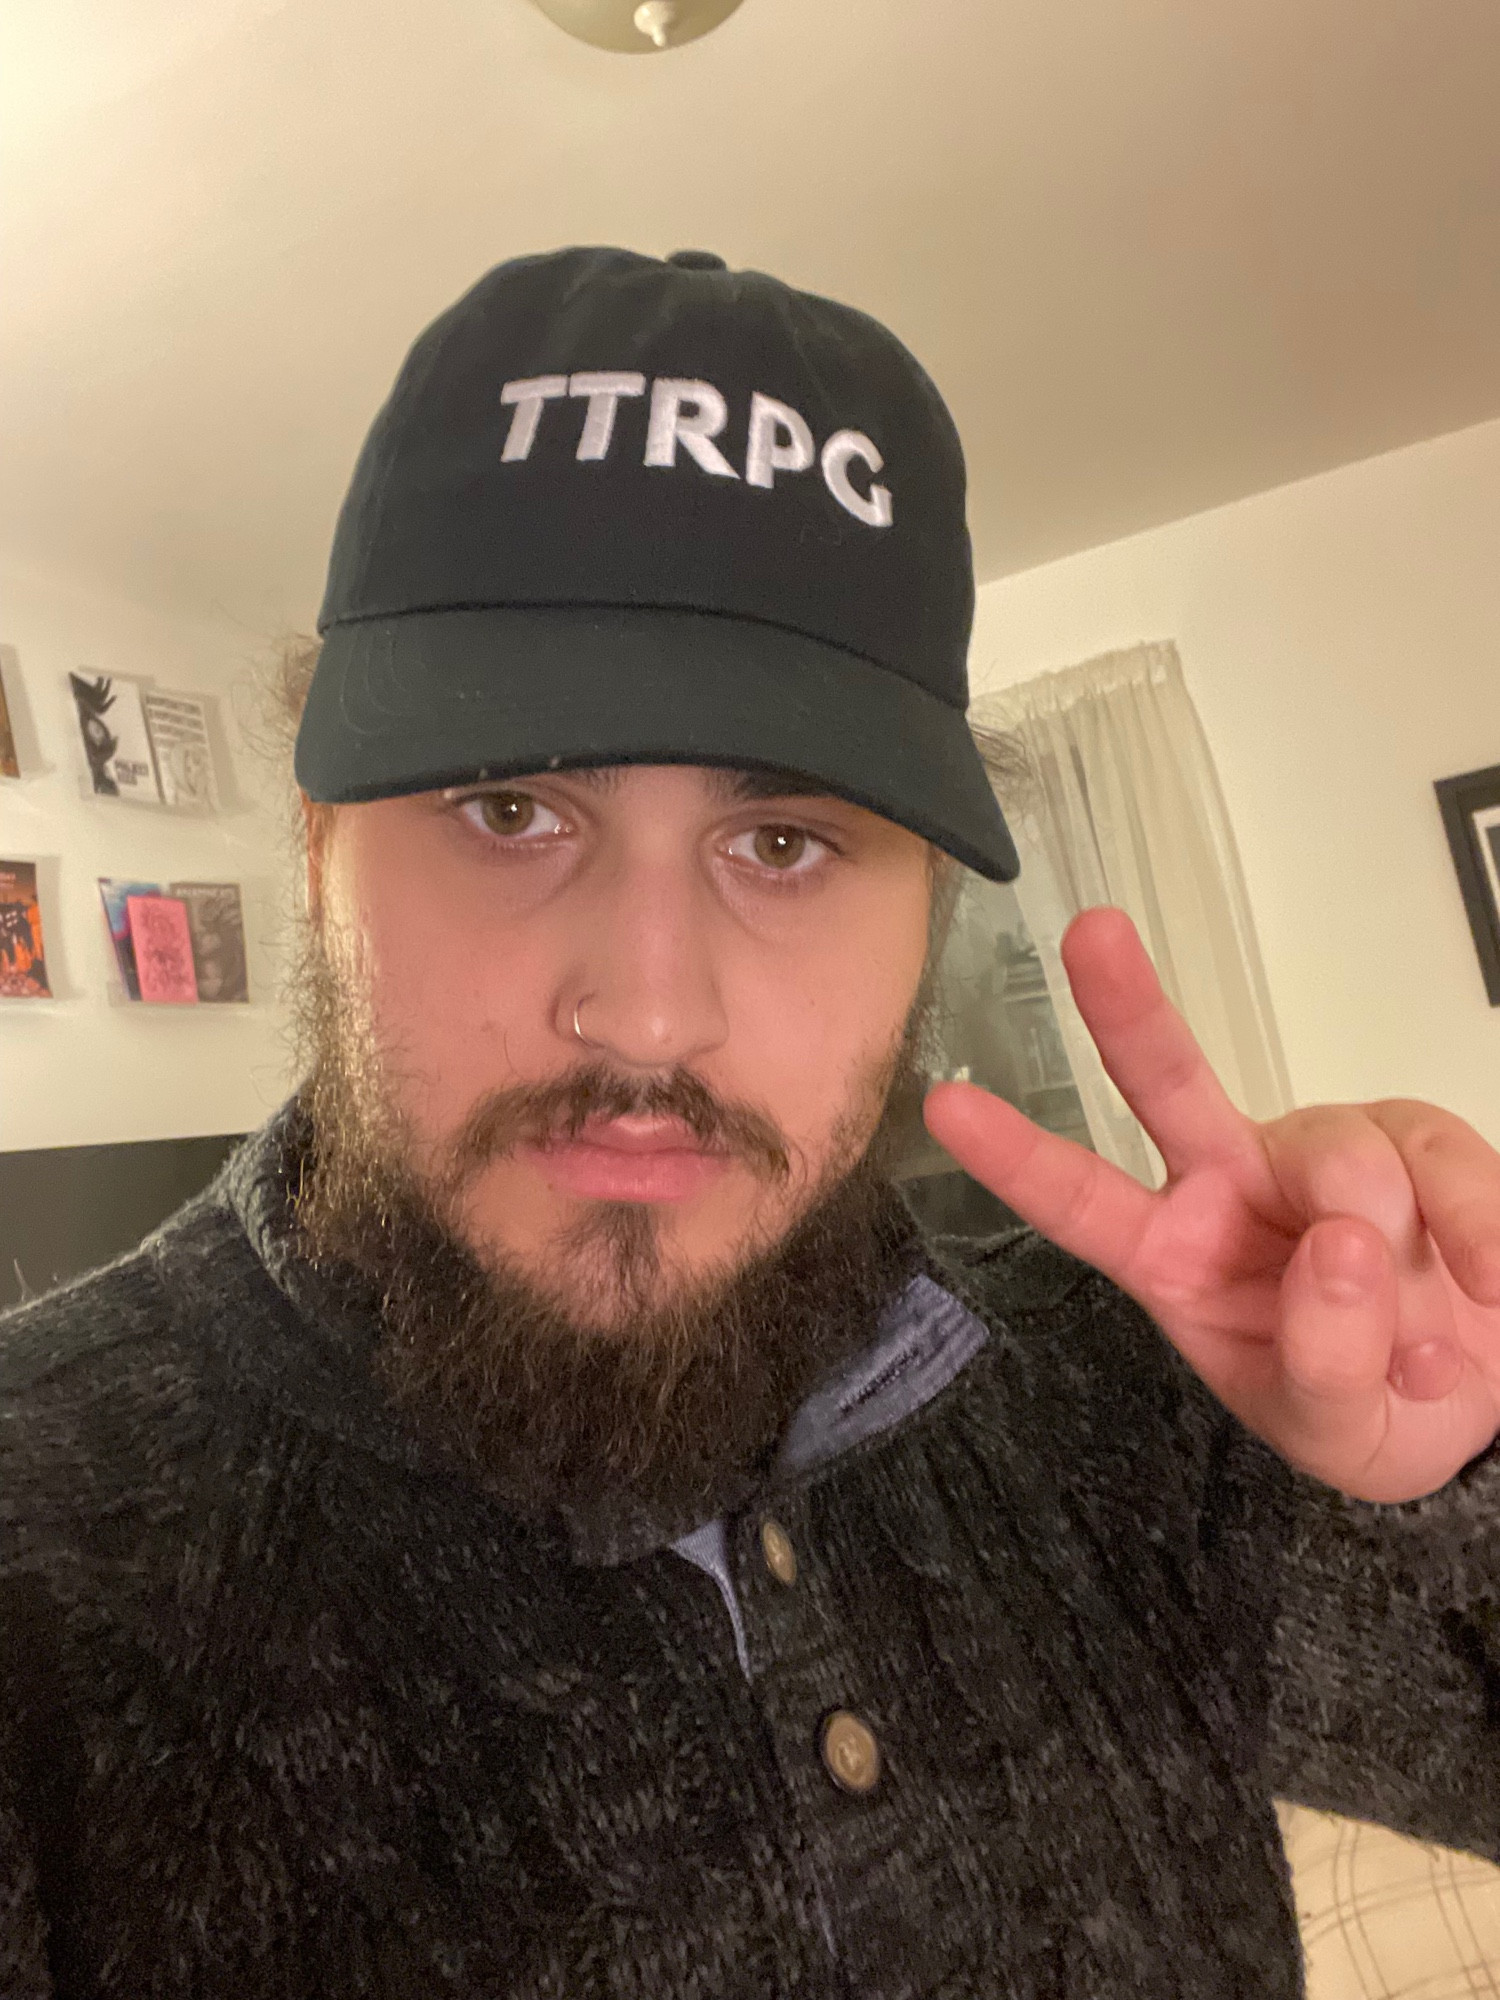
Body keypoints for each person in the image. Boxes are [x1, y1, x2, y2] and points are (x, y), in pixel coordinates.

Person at [3, 247, 1499, 1999]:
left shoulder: (1147, 1396)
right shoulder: (46, 1557)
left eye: (781, 843)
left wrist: (1460, 1477)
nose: (645, 1009)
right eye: (508, 807)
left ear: (926, 902)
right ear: (324, 850)